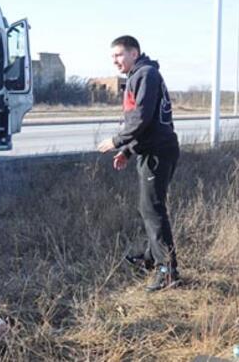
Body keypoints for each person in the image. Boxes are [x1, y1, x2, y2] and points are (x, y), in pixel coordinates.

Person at [98, 35, 181, 292]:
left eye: (119, 55)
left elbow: (142, 119)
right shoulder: (140, 74)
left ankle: (167, 272)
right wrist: (129, 151)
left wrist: (117, 141)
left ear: (134, 52)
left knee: (153, 211)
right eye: (112, 57)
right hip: (152, 149)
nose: (115, 61)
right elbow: (147, 125)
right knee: (149, 208)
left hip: (158, 153)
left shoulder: (145, 74)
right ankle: (150, 257)